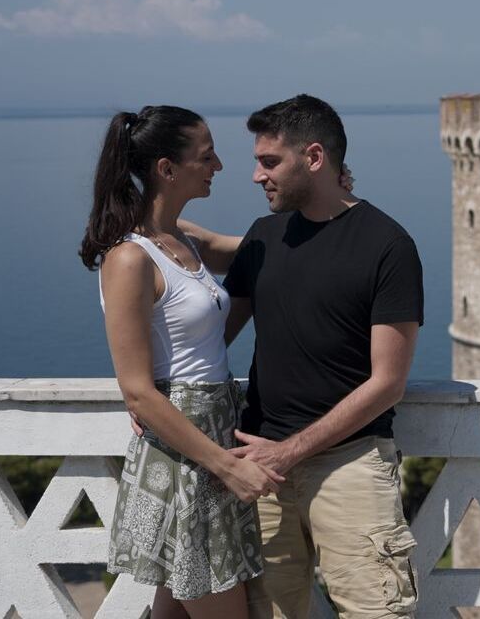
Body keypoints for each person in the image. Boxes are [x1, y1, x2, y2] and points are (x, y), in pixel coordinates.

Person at [211, 94, 425, 619]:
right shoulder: (263, 238)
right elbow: (213, 341)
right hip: (259, 469)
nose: (257, 176)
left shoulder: (388, 245)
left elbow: (388, 383)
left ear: (313, 158)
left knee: (377, 613)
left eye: (269, 162)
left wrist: (290, 452)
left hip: (348, 465)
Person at [80, 105, 277, 619]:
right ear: (167, 168)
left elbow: (257, 249)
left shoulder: (182, 239)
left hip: (210, 434)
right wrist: (227, 467)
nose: (219, 166)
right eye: (206, 155)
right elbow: (139, 391)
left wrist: (324, 201)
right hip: (187, 451)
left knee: (173, 612)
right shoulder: (131, 258)